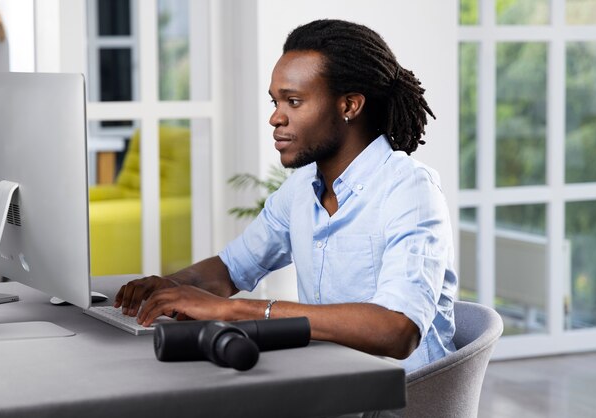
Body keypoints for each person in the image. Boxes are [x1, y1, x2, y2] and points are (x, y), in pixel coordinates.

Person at [115, 18, 457, 375]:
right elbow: (232, 267)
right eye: (276, 102)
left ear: (350, 105)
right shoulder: (301, 188)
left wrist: (232, 310)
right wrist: (169, 287)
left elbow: (396, 330)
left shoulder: (410, 190)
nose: (276, 118)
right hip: (331, 383)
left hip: (400, 399)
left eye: (293, 101)